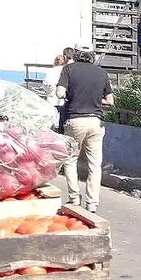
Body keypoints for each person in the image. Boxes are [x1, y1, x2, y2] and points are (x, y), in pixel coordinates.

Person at [57, 44, 112, 213]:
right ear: (92, 55)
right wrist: (95, 100)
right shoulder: (101, 72)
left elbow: (60, 93)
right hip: (95, 122)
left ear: (77, 53)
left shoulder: (69, 69)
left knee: (71, 159)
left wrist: (71, 95)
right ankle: (92, 203)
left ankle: (74, 198)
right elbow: (110, 101)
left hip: (75, 120)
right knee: (95, 164)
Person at [43, 51, 70, 130]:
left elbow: (45, 84)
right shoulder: (67, 70)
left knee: (52, 121)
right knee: (62, 121)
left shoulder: (51, 71)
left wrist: (49, 92)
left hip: (52, 98)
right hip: (63, 99)